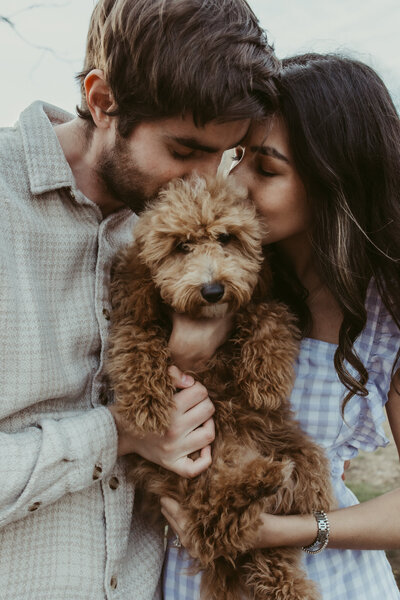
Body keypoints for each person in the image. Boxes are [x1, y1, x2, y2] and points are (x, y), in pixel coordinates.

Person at [0, 1, 280, 598]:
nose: (207, 180)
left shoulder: (191, 234)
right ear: (102, 102)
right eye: (184, 150)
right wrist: (117, 432)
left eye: (223, 155)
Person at [161, 53, 400, 599]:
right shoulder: (212, 278)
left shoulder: (385, 319)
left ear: (334, 182)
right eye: (238, 156)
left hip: (325, 582)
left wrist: (285, 531)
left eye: (267, 169)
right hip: (193, 577)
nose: (237, 183)